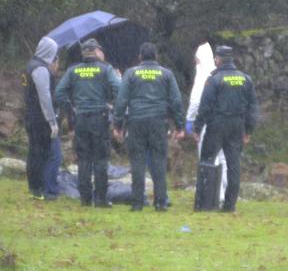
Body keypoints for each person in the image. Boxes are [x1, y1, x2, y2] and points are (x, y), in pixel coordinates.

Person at [113, 42, 185, 211]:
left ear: (140, 57)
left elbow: (122, 100)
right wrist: (180, 126)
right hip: (158, 122)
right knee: (159, 161)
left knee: (137, 162)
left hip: (136, 122)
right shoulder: (166, 74)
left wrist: (118, 124)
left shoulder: (131, 74)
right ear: (156, 57)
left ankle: (137, 203)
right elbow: (176, 101)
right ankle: (160, 202)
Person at [55, 38, 121, 207]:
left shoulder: (73, 71)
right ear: (96, 51)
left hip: (80, 118)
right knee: (100, 159)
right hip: (100, 117)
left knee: (83, 159)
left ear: (82, 53)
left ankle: (85, 198)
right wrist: (110, 102)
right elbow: (118, 89)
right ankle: (100, 198)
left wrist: (70, 108)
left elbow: (59, 92)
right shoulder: (105, 70)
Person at [194, 45, 259, 212]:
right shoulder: (245, 79)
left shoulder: (214, 79)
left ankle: (205, 202)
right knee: (234, 166)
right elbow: (252, 107)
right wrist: (248, 130)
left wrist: (197, 127)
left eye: (216, 58)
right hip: (237, 126)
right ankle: (230, 205)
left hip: (217, 125)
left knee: (207, 162)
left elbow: (205, 105)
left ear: (219, 59)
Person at [186, 42, 228, 205]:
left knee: (209, 158)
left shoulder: (203, 75)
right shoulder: (218, 73)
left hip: (206, 124)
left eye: (197, 60)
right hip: (223, 121)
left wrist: (190, 121)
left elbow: (196, 101)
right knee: (223, 159)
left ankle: (213, 194)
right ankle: (226, 191)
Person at [23, 36, 61, 201]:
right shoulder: (40, 69)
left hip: (30, 115)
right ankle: (42, 188)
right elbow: (44, 96)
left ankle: (34, 187)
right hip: (40, 119)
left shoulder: (29, 66)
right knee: (45, 153)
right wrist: (52, 121)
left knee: (34, 152)